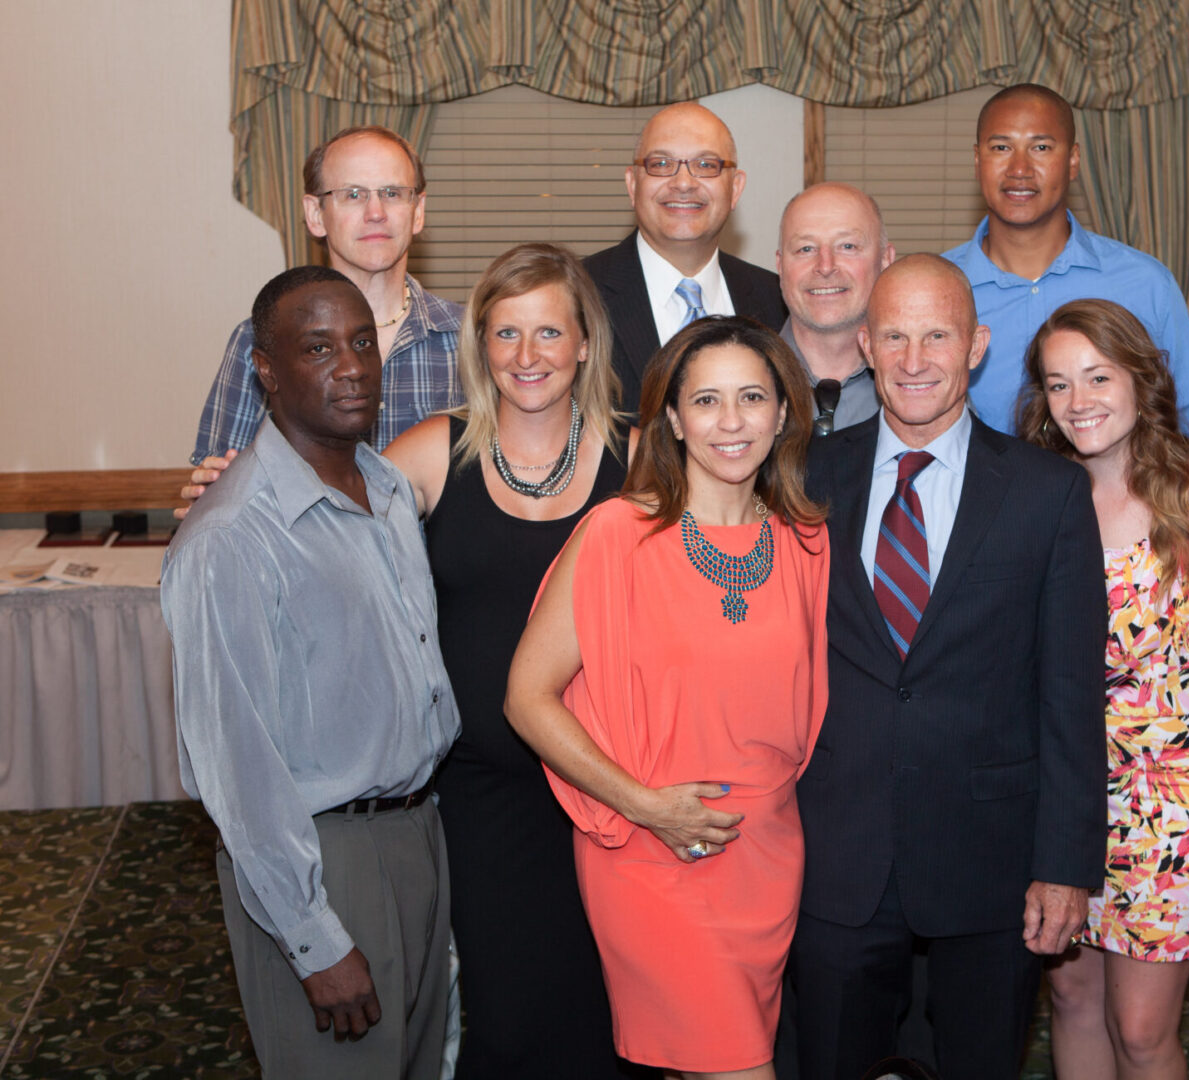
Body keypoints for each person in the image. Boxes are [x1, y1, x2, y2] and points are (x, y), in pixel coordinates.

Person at [790, 254, 1107, 1080]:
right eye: (892, 336)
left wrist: (1065, 865)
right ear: (863, 345)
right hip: (836, 848)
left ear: (976, 345)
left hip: (990, 857)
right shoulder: (801, 478)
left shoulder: (1047, 493)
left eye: (937, 335)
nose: (914, 359)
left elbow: (1071, 696)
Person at [504, 316, 829, 1079]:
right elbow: (526, 697)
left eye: (751, 397)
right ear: (673, 420)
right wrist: (644, 804)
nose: (731, 420)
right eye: (707, 401)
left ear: (783, 414)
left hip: (769, 854)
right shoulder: (618, 535)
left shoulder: (806, 542)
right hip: (654, 852)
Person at [162, 266, 458, 1079]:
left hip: (414, 835)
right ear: (267, 369)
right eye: (319, 348)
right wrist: (312, 939)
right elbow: (238, 771)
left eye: (363, 343)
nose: (353, 366)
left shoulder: (390, 489)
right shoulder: (232, 537)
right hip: (321, 862)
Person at [381, 244, 638, 1077]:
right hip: (481, 793)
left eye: (547, 333)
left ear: (584, 345)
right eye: (505, 334)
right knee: (506, 1014)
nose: (526, 357)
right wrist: (230, 485)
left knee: (612, 1009)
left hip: (605, 788)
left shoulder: (637, 464)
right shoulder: (432, 450)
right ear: (480, 347)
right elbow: (322, 530)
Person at [1014, 299, 1189, 1079]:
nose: (1078, 402)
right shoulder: (1035, 498)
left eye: (1096, 376)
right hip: (1061, 796)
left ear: (1140, 378)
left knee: (1142, 1030)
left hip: (1173, 804)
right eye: (1056, 384)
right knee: (1072, 1003)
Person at [943, 84, 1189, 441]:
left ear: (1073, 161)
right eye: (1001, 148)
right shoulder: (938, 290)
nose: (1019, 169)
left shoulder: (1145, 283)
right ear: (978, 161)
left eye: (1040, 147)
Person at [190, 126, 462, 467]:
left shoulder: (470, 337)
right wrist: (212, 490)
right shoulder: (259, 339)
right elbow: (220, 482)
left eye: (392, 193)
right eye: (353, 194)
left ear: (417, 211)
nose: (376, 212)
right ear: (316, 215)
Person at [584, 103, 787, 412]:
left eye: (705, 165)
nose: (683, 182)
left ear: (735, 188)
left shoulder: (780, 300)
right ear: (632, 184)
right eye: (662, 163)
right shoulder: (577, 295)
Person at [775, 181, 895, 434]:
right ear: (780, 265)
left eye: (847, 246)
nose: (826, 266)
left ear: (885, 260)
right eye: (806, 248)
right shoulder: (740, 382)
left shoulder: (922, 384)